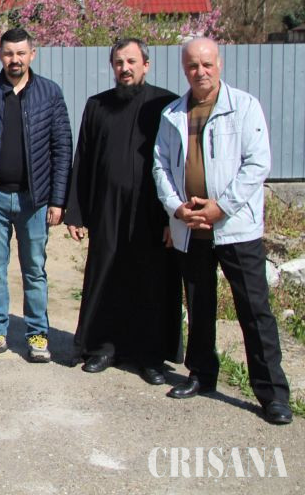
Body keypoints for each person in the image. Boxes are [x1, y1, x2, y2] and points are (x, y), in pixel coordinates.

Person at [153, 37, 293, 425]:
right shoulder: (172, 114)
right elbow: (160, 166)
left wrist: (221, 207)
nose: (200, 72)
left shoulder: (244, 107)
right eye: (192, 65)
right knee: (200, 308)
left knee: (255, 310)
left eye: (207, 64)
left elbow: (257, 164)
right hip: (191, 227)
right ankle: (202, 374)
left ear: (220, 64)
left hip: (235, 229)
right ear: (184, 69)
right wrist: (177, 207)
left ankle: (272, 394)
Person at [65, 38, 179, 384]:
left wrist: (174, 218)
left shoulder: (166, 104)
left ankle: (150, 356)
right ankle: (103, 347)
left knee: (150, 280)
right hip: (107, 209)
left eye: (131, 61)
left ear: (146, 64)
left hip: (152, 212)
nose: (125, 68)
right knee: (106, 275)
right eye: (119, 62)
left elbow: (178, 163)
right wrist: (76, 212)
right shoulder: (97, 106)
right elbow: (83, 159)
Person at [0, 27, 72, 363]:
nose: (15, 59)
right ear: (0, 56)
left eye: (21, 53)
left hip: (34, 200)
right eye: (9, 53)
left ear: (32, 54)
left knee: (34, 270)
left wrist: (58, 199)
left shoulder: (49, 94)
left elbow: (62, 148)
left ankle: (37, 334)